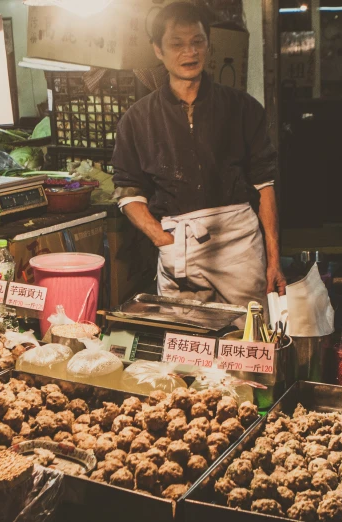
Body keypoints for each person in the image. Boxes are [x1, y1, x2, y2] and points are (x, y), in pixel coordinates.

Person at [112, 2, 286, 311]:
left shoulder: (243, 108)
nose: (189, 52)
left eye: (197, 42)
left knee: (245, 340)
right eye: (176, 44)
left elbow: (265, 187)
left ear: (209, 44)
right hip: (178, 246)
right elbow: (128, 192)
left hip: (240, 247)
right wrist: (162, 239)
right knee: (185, 346)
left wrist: (274, 261)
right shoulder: (138, 118)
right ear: (158, 50)